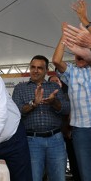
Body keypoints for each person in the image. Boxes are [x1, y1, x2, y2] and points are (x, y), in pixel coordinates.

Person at [12, 55, 70, 181]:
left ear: (45, 70)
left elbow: (66, 109)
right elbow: (16, 112)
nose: (35, 70)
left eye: (39, 68)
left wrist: (54, 102)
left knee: (59, 178)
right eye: (33, 67)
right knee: (34, 177)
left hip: (56, 140)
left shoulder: (54, 87)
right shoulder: (20, 88)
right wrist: (34, 103)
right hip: (32, 141)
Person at [52, 22, 91, 181]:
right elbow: (56, 60)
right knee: (85, 172)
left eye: (83, 54)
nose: (79, 56)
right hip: (80, 130)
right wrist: (64, 37)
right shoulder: (72, 73)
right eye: (77, 55)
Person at [48, 75, 81, 181]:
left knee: (74, 158)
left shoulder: (69, 95)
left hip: (70, 132)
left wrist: (70, 129)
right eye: (52, 81)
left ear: (61, 83)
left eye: (56, 81)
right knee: (55, 162)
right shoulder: (45, 97)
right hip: (54, 135)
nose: (55, 83)